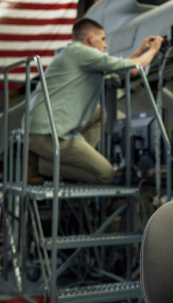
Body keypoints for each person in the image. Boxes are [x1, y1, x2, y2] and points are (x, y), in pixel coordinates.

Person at [26, 18, 164, 184]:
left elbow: (125, 70)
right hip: (48, 134)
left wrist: (142, 49)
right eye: (103, 39)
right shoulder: (80, 52)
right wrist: (154, 49)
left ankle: (75, 159)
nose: (105, 45)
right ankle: (42, 166)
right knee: (107, 174)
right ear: (91, 39)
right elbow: (136, 67)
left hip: (43, 129)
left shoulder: (77, 56)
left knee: (100, 112)